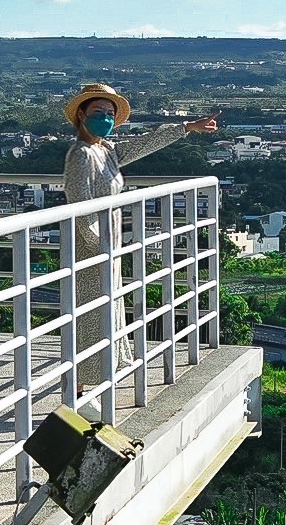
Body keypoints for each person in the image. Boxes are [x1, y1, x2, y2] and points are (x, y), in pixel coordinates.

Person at [62, 82, 220, 401]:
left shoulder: (105, 150)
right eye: (98, 112)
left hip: (109, 249)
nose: (105, 118)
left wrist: (187, 127)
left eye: (109, 113)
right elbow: (80, 205)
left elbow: (142, 145)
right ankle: (76, 394)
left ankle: (90, 391)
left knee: (105, 317)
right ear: (81, 114)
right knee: (90, 319)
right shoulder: (80, 155)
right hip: (92, 251)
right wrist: (99, 251)